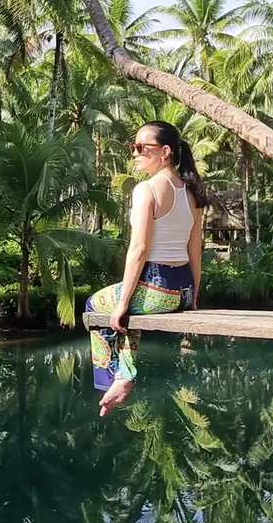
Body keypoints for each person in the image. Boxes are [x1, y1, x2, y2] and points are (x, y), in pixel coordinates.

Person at [86, 121, 207, 416]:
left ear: (165, 152)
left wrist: (123, 302)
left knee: (96, 305)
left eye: (142, 147)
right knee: (128, 314)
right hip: (181, 289)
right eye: (133, 147)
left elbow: (139, 249)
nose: (135, 153)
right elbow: (195, 249)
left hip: (156, 287)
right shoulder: (192, 192)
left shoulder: (147, 190)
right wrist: (192, 297)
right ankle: (124, 375)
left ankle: (115, 378)